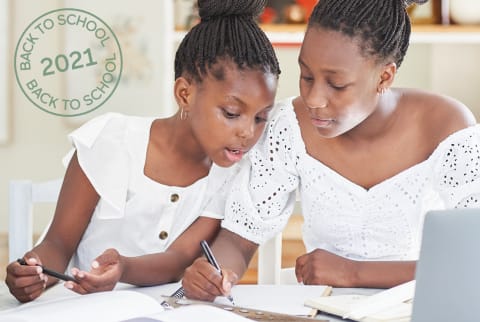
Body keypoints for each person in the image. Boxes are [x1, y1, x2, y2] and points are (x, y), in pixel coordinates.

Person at [182, 0, 480, 301]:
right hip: (322, 309)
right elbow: (238, 238)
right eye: (306, 76)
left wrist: (353, 273)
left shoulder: (446, 127)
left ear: (384, 77)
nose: (313, 99)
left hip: (421, 307)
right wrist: (213, 271)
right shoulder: (289, 127)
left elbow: (472, 259)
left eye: (336, 85)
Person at [6, 0, 280, 303]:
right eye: (231, 113)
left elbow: (178, 258)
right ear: (184, 94)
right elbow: (58, 243)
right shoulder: (110, 141)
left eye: (260, 117)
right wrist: (34, 271)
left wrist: (123, 268)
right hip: (77, 309)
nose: (247, 132)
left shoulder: (231, 174)